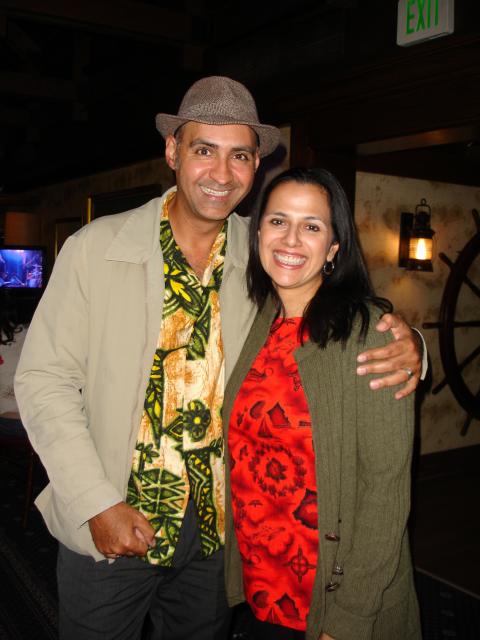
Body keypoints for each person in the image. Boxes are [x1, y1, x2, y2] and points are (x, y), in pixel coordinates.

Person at [14, 77, 423, 640]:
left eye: (241, 156)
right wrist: (93, 502)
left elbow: (330, 308)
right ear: (172, 151)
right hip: (115, 521)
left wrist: (409, 343)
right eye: (204, 149)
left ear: (257, 165)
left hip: (219, 536)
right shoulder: (96, 249)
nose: (222, 173)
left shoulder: (262, 257)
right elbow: (43, 380)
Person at [223, 167, 422, 640]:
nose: (290, 239)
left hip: (327, 596)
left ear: (334, 247)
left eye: (311, 226)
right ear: (258, 234)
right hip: (259, 579)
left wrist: (348, 619)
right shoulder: (258, 318)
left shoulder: (370, 335)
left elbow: (385, 494)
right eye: (278, 221)